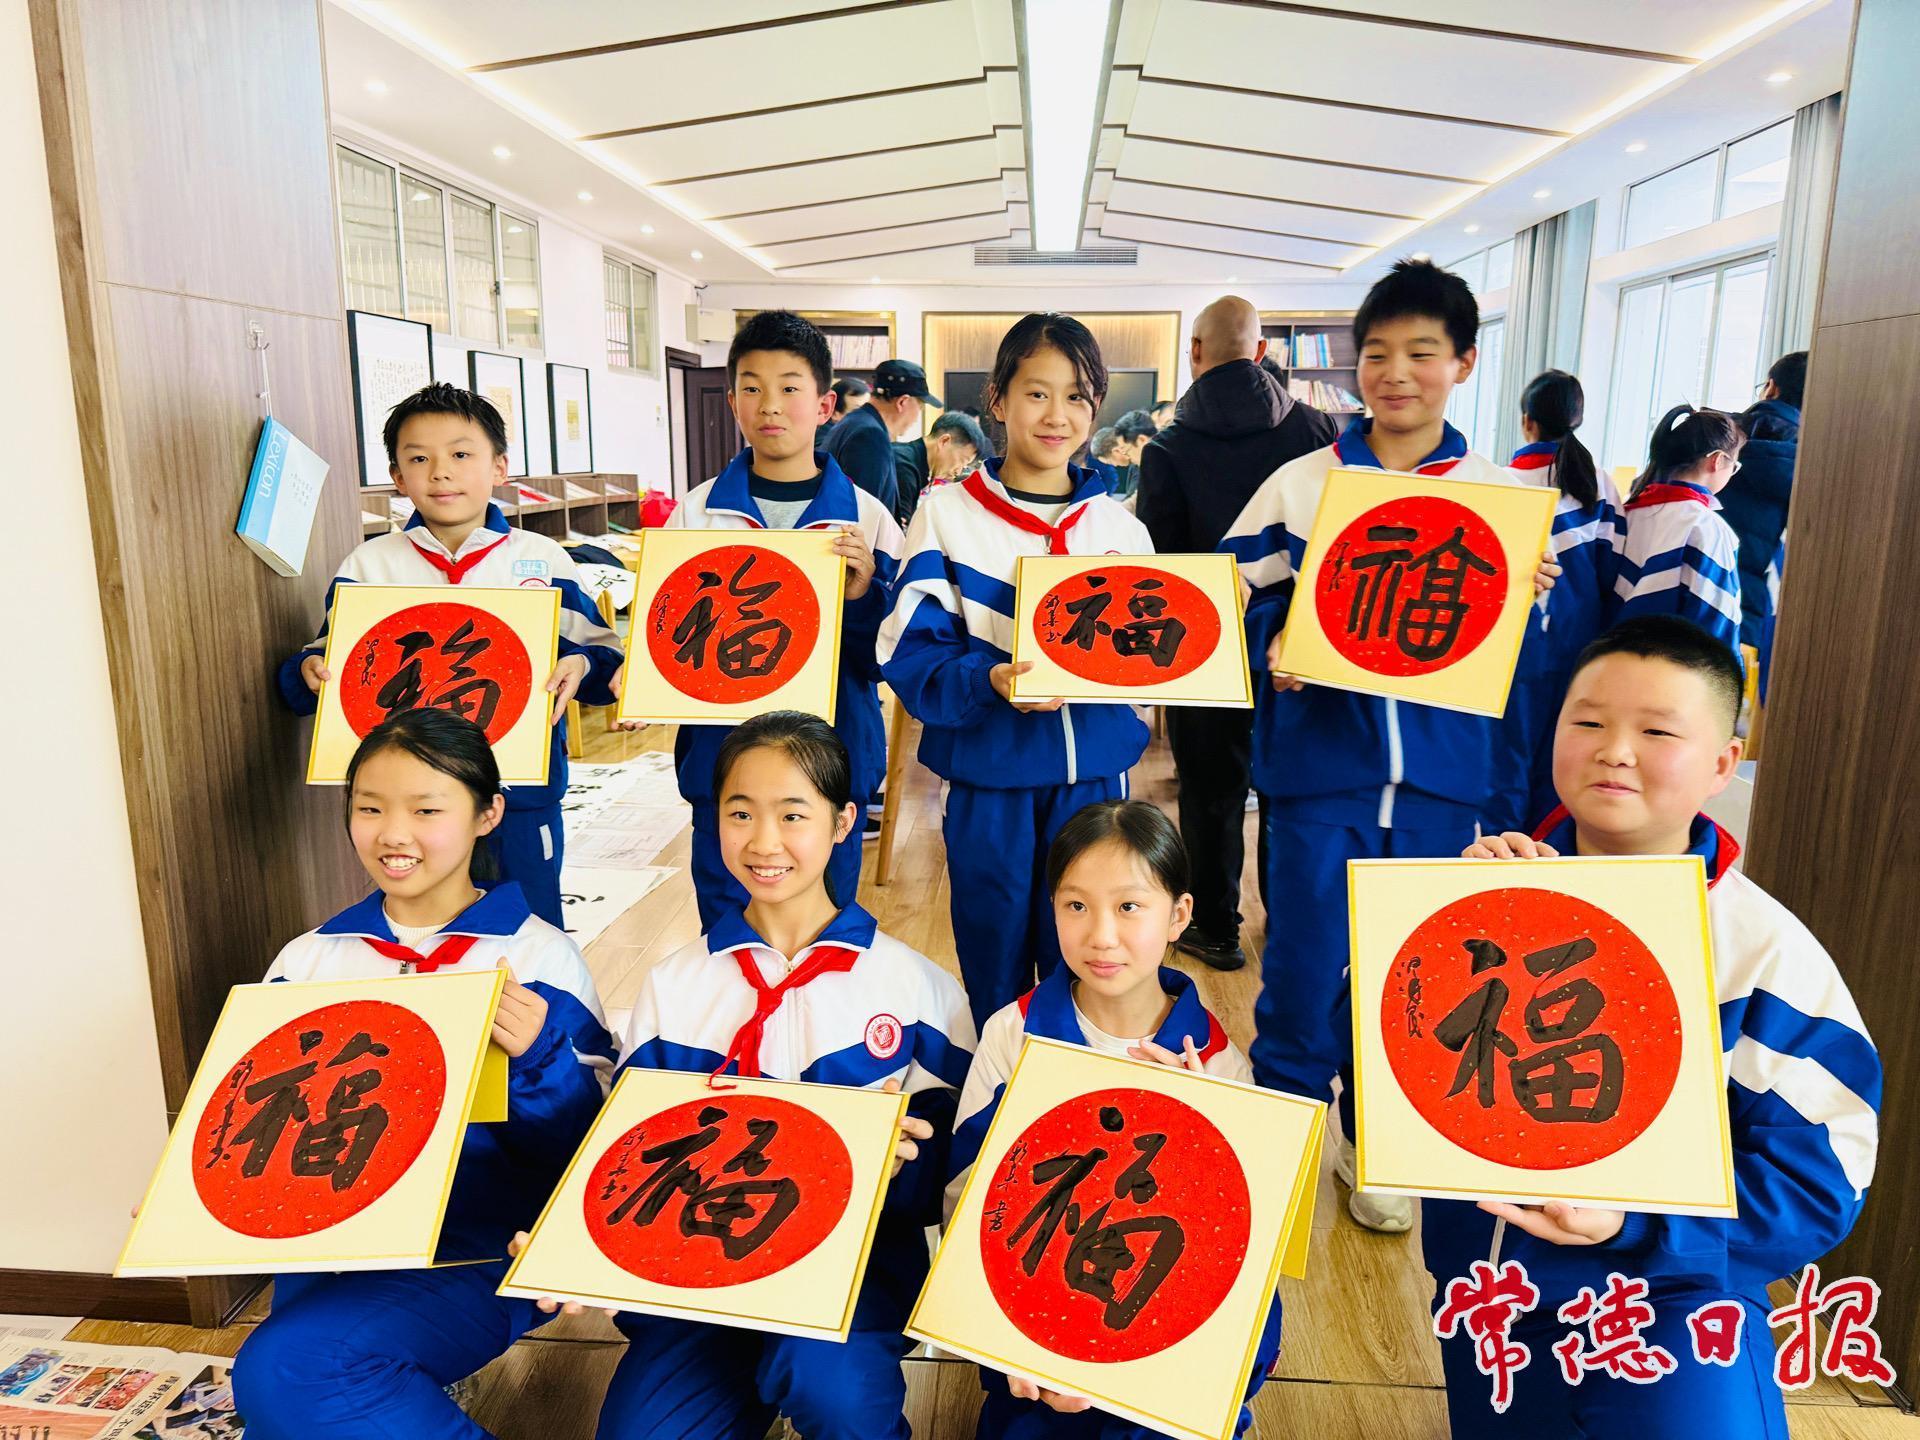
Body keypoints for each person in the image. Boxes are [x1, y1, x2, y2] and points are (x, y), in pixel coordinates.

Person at [1428, 617, 1878, 1435]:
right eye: (1588, 721)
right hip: (1491, 1289)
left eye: (1658, 732)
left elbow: (1823, 1176)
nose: (1615, 751)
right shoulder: (1469, 902)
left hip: (1671, 1301)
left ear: (1723, 764)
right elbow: (1380, 1096)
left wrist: (1638, 1223)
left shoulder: (1762, 954)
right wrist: (1432, 939)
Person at [1219, 259, 1558, 1234]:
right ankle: (1284, 1143)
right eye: (1376, 354)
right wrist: (1279, 636)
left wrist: (1531, 603)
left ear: (1465, 363)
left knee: (1415, 981)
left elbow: (1528, 674)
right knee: (1300, 970)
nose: (1395, 373)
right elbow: (1228, 603)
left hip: (1447, 790)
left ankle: (1376, 1142)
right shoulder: (1300, 486)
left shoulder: (1502, 501)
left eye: (1421, 353)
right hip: (1319, 779)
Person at [230, 709, 614, 1440]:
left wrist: (540, 1060)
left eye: (426, 810)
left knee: (292, 1372)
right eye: (370, 808)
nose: (393, 834)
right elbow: (256, 1119)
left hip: (479, 1252)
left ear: (488, 814)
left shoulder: (539, 960)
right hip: (333, 1247)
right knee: (287, 1404)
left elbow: (590, 1156)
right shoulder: (309, 959)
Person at [590, 711, 975, 1440]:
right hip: (702, 1286)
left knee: (831, 1391)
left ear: (843, 822)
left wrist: (898, 1167)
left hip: (851, 1278)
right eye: (740, 813)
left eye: (793, 814)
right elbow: (633, 1158)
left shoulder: (918, 990)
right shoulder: (676, 986)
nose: (764, 842)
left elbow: (954, 1178)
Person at [947, 800, 1278, 1438]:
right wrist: (1018, 1343)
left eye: (1129, 907)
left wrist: (1199, 1127)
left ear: (1178, 914)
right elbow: (969, 1194)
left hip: (1157, 1317)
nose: (1100, 935)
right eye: (1076, 905)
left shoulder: (1216, 1063)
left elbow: (1237, 1246)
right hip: (1039, 1315)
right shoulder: (1013, 1033)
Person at [881, 313, 1153, 1030]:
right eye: (1037, 393)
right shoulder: (946, 518)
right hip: (990, 784)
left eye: (1077, 397)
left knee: (1092, 956)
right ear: (997, 400)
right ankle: (994, 1085)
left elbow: (1154, 663)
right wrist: (989, 680)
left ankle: (1073, 1083)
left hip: (1095, 786)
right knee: (993, 956)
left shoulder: (1122, 531)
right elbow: (912, 653)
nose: (1057, 415)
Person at [279, 383, 623, 928]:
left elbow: (603, 661)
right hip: (408, 801)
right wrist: (307, 671)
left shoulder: (542, 558)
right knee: (422, 926)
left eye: (461, 454)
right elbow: (318, 668)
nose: (441, 472)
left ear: (499, 467)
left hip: (520, 791)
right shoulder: (370, 565)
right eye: (419, 459)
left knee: (529, 927)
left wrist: (582, 665)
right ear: (397, 477)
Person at [660, 310, 899, 928]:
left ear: (824, 406)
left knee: (824, 928)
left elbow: (891, 656)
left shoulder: (867, 518)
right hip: (723, 763)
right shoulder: (696, 515)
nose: (770, 405)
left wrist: (863, 596)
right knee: (726, 929)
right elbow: (672, 636)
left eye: (790, 387)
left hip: (831, 760)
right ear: (733, 402)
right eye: (752, 387)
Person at [1137, 294, 1336, 970]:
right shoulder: (1315, 430)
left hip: (1204, 641)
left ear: (1194, 352)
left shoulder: (1168, 446)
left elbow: (1159, 562)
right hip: (1297, 638)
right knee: (1286, 782)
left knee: (1208, 789)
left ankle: (1215, 926)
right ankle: (1287, 924)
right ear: (1262, 352)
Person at [1489, 369, 1621, 834]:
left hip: (1511, 651)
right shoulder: (1598, 483)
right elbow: (1613, 572)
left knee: (1507, 757)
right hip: (1582, 648)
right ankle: (1549, 851)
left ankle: (1503, 855)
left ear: (1527, 421)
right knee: (1565, 758)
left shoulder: (1499, 482)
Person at [1615, 404, 1744, 661]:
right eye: (1735, 465)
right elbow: (1716, 626)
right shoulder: (1707, 528)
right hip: (1669, 670)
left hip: (1609, 661)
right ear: (1717, 460)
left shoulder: (1625, 514)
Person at [1726, 351, 1805, 656]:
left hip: (1698, 587)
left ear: (1771, 387)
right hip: (1759, 605)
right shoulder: (1817, 463)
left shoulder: (1719, 438)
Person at [822, 358, 940, 523]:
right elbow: (865, 514)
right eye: (920, 407)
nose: (916, 417)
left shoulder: (855, 423)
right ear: (902, 402)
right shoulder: (870, 436)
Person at [893, 408, 990, 530]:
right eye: (962, 460)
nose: (959, 471)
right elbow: (898, 532)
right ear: (944, 441)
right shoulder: (905, 468)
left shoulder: (911, 460)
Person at [1105, 409, 1158, 499]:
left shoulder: (1169, 465)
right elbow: (1136, 499)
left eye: (1126, 450)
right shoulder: (1148, 467)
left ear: (1142, 440)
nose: (1127, 456)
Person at [818, 375, 870, 444]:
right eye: (858, 412)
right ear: (834, 413)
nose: (868, 417)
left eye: (869, 410)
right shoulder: (825, 442)